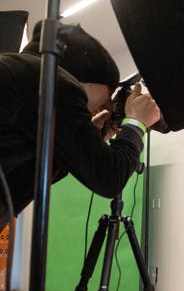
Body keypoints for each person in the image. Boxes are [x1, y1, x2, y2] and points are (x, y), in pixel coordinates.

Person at [0, 21, 161, 229]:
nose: (102, 109)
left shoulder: (19, 74)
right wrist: (136, 123)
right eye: (103, 102)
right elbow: (108, 178)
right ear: (85, 79)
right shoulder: (56, 82)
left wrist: (84, 144)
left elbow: (18, 181)